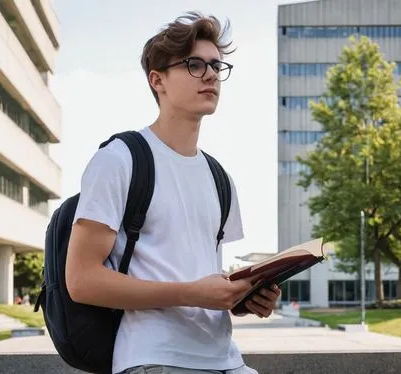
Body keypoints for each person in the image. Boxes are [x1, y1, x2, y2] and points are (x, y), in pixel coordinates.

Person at [66, 12, 281, 374]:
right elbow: (81, 281)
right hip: (154, 358)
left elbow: (199, 275)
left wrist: (243, 298)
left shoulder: (219, 177)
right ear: (158, 80)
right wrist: (191, 293)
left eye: (216, 65)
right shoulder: (119, 160)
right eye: (194, 65)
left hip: (225, 358)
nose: (211, 74)